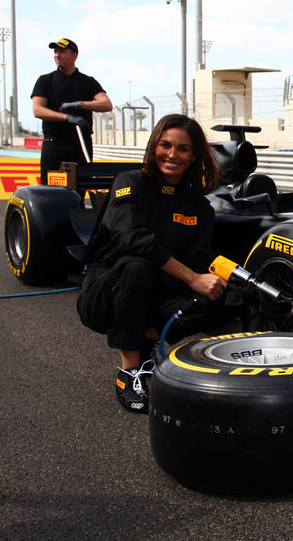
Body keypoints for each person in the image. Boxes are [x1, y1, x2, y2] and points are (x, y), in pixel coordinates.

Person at [77, 114, 228, 414]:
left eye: (183, 149)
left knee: (232, 294)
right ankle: (129, 371)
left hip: (157, 292)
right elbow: (132, 240)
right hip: (107, 292)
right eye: (165, 145)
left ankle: (150, 334)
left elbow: (200, 259)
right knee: (137, 265)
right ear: (153, 147)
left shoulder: (199, 207)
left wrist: (232, 275)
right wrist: (192, 279)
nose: (172, 155)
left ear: (194, 155)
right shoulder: (129, 182)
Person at [31, 38, 113, 182]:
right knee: (50, 191)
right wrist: (67, 118)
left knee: (80, 188)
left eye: (62, 51)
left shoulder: (88, 81)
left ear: (74, 55)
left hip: (80, 143)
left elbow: (106, 104)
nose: (57, 55)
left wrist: (81, 104)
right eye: (55, 52)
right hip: (54, 143)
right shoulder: (45, 80)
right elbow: (38, 110)